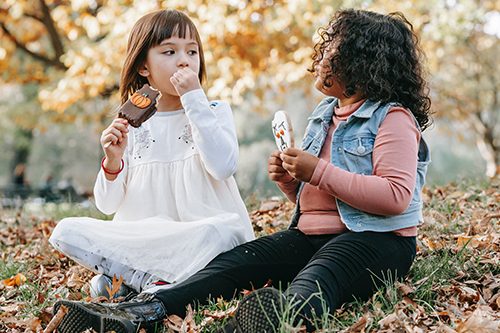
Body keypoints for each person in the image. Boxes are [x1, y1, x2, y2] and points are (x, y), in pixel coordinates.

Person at [53, 8, 431, 333]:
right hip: (310, 236)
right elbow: (325, 200)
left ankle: (280, 314)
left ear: (360, 61)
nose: (319, 57)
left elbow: (395, 198)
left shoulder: (392, 118)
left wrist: (316, 171)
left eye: (330, 51)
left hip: (375, 240)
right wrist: (292, 184)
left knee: (319, 279)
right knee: (229, 268)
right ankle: (136, 313)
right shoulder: (325, 115)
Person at [49, 8, 254, 308]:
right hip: (145, 238)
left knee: (219, 234)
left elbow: (223, 166)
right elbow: (107, 205)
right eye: (169, 51)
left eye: (192, 51)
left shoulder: (213, 112)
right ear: (144, 67)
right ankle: (151, 281)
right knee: (66, 230)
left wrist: (193, 98)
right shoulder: (133, 124)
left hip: (198, 236)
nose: (184, 60)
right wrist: (113, 162)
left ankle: (131, 281)